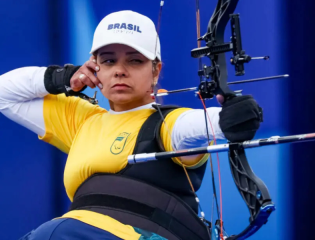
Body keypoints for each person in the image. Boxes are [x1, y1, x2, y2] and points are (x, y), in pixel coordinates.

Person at [0, 10, 263, 240]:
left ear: (156, 70)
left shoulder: (165, 122)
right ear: (94, 67)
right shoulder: (81, 120)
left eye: (135, 60)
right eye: (108, 60)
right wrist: (64, 77)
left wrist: (229, 117)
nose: (119, 70)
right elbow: (4, 93)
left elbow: (195, 126)